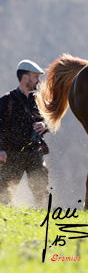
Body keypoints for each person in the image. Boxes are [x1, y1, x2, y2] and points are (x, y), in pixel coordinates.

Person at [0, 59, 50, 207]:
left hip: (35, 152)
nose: (38, 81)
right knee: (4, 195)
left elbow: (47, 120)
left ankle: (42, 220)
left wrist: (44, 125)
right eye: (36, 77)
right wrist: (1, 149)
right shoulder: (6, 101)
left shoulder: (38, 101)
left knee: (41, 191)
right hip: (12, 154)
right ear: (25, 78)